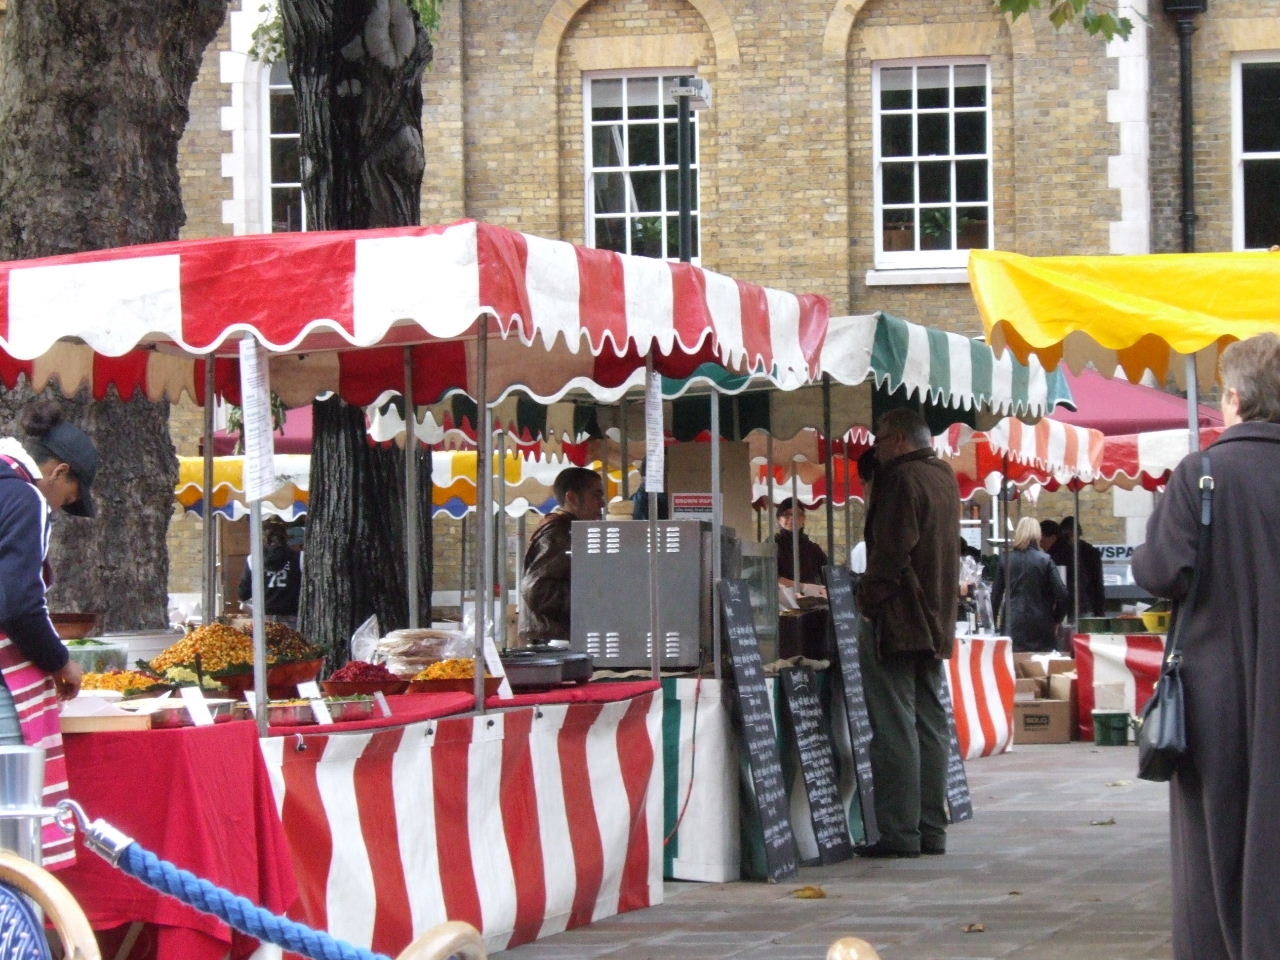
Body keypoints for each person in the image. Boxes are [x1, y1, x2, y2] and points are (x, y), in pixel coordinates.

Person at [1131, 333, 1280, 960]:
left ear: (1234, 397)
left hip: (1217, 687)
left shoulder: (1204, 473)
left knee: (1211, 838)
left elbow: (1161, 572)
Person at [854, 407, 960, 858]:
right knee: (931, 724)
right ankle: (931, 829)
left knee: (894, 725)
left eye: (879, 440)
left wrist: (867, 600)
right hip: (937, 617)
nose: (876, 449)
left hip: (899, 618)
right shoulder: (944, 476)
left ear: (897, 440)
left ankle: (900, 832)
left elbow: (890, 552)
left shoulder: (900, 479)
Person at [0, 402, 99, 869]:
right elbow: (17, 604)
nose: (61, 506)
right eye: (69, 494)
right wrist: (60, 660)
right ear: (57, 472)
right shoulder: (25, 498)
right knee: (10, 835)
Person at [518, 466, 605, 644]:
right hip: (553, 643)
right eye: (596, 495)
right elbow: (537, 590)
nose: (602, 503)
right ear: (572, 498)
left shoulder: (570, 530)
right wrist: (592, 599)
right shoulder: (559, 532)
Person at [992, 517, 1068, 653]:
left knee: (1012, 665)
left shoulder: (1005, 559)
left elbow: (995, 596)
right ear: (1037, 534)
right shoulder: (1045, 560)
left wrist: (991, 625)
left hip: (1012, 622)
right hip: (1041, 622)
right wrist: (1057, 619)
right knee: (1040, 665)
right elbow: (1062, 593)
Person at [237, 522, 303, 627]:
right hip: (293, 619)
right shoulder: (299, 558)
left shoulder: (253, 559)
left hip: (264, 621)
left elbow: (243, 593)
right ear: (285, 538)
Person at [1047, 516, 1106, 618]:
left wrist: (1099, 610)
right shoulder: (1089, 551)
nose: (1069, 539)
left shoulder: (1088, 552)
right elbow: (1098, 584)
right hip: (1085, 603)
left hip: (1082, 603)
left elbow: (1097, 583)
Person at [774, 497, 828, 600]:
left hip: (810, 604)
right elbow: (769, 576)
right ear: (779, 519)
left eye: (797, 514)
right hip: (782, 604)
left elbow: (828, 573)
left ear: (803, 519)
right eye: (786, 514)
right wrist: (803, 587)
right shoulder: (772, 545)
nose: (792, 518)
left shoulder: (813, 549)